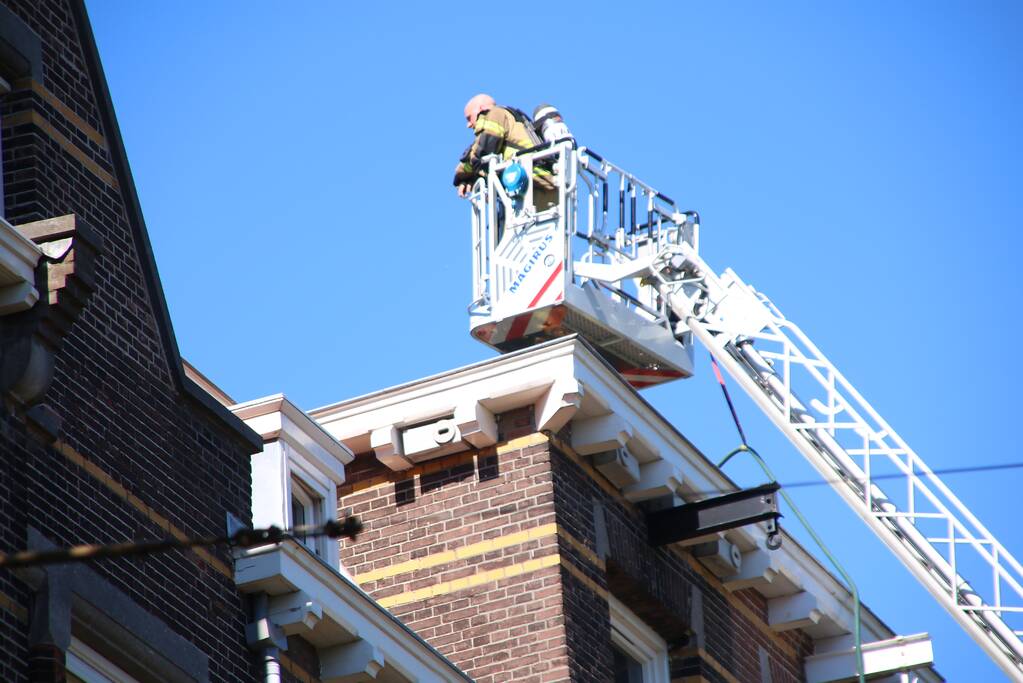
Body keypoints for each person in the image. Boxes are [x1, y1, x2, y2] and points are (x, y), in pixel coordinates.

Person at [453, 94, 555, 208]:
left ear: (481, 108)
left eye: (469, 118)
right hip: (546, 186)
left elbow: (483, 151)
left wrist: (461, 175)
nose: (468, 125)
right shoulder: (515, 121)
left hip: (530, 186)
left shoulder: (495, 114)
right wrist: (475, 178)